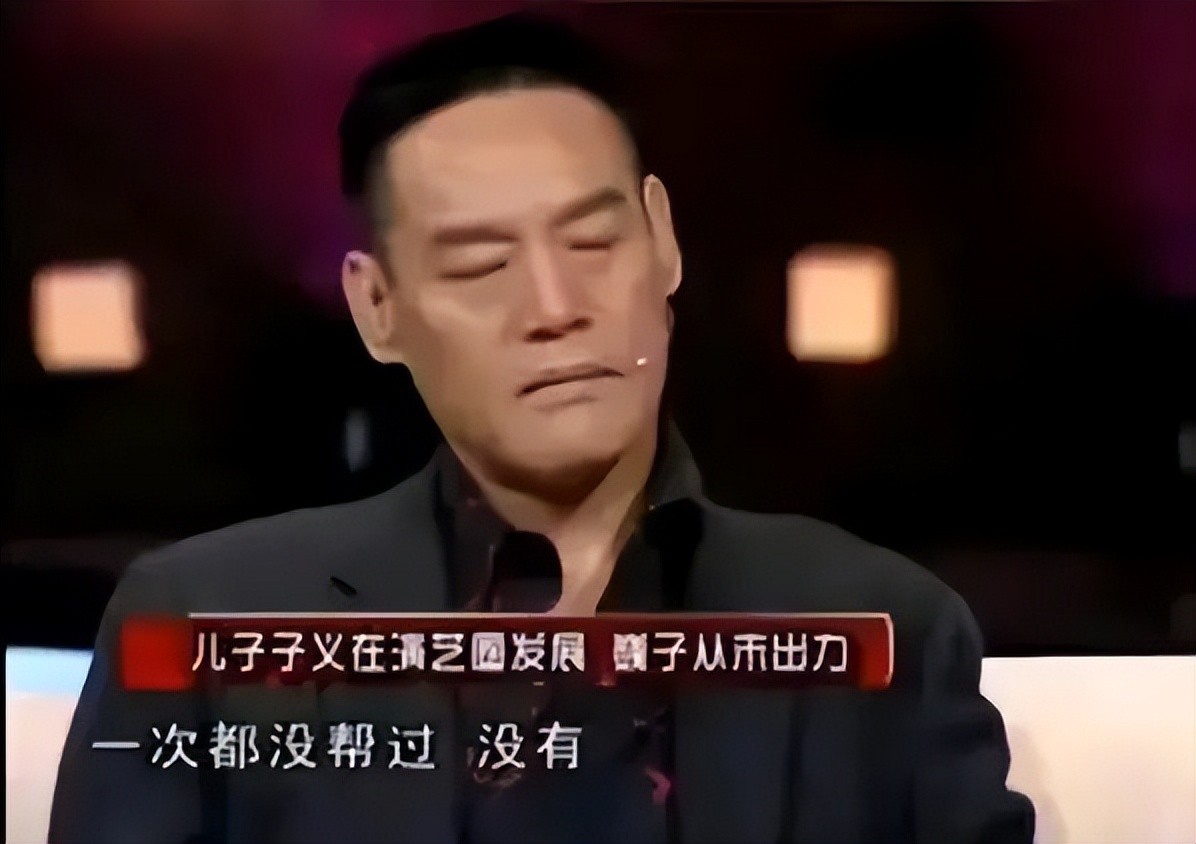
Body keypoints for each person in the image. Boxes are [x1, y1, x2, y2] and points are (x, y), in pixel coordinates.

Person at [50, 13, 1035, 844]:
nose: (556, 308)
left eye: (594, 241)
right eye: (482, 267)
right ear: (377, 308)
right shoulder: (200, 623)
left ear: (662, 242)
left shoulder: (888, 630)